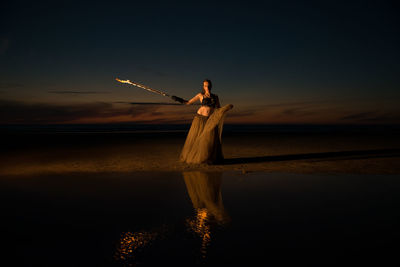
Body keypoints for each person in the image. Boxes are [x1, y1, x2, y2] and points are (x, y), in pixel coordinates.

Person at [179, 79, 233, 164]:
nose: (207, 87)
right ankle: (198, 158)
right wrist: (178, 99)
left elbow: (218, 109)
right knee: (198, 138)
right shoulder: (200, 95)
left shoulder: (215, 97)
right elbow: (188, 102)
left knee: (208, 139)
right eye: (205, 85)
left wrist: (226, 108)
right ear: (203, 87)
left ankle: (207, 158)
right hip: (199, 118)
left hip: (210, 120)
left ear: (211, 86)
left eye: (208, 85)